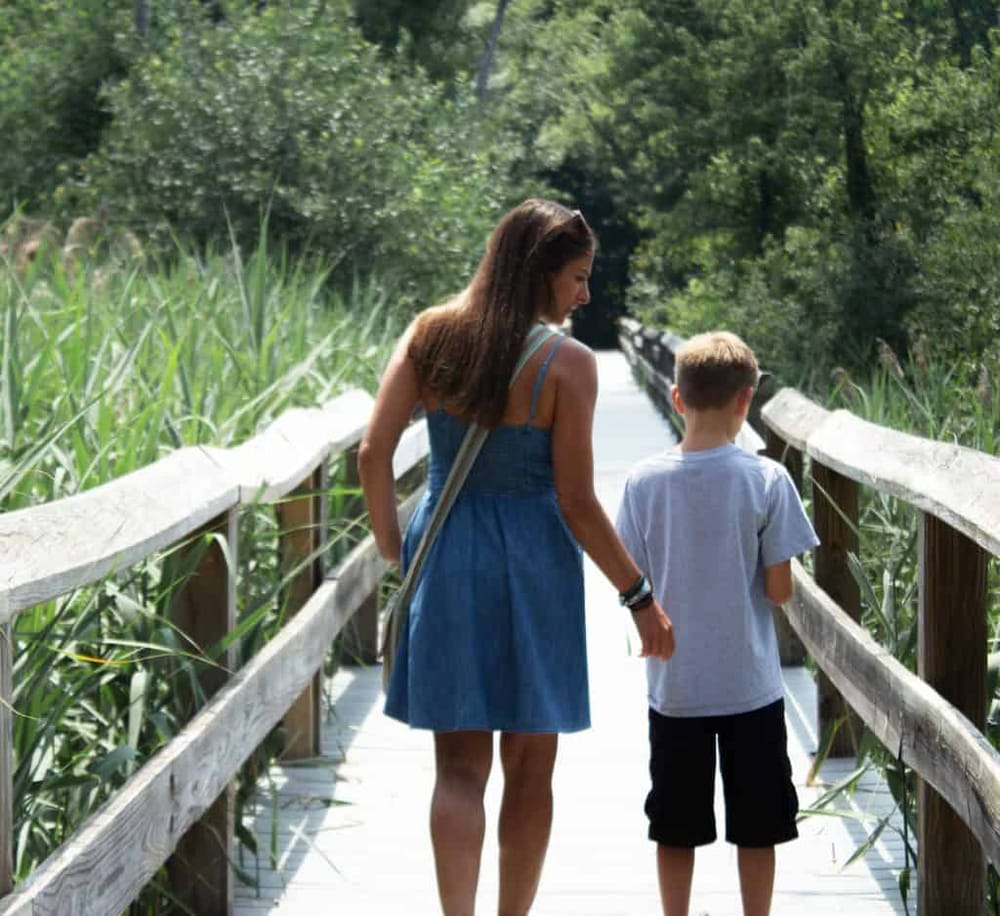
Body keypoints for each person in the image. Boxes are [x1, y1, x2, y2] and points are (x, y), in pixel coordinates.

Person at [358, 198, 675, 916]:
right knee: (530, 770)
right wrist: (639, 595)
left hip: (447, 551)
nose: (585, 295)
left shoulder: (430, 335)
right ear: (541, 274)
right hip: (534, 565)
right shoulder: (567, 363)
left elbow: (374, 452)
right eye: (577, 278)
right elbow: (576, 500)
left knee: (459, 769)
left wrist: (394, 547)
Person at [614, 331, 819, 916]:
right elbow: (779, 591)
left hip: (674, 690)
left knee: (674, 823)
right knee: (759, 823)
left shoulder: (643, 483)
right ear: (745, 401)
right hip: (750, 687)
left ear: (678, 399)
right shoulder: (766, 480)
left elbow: (631, 580)